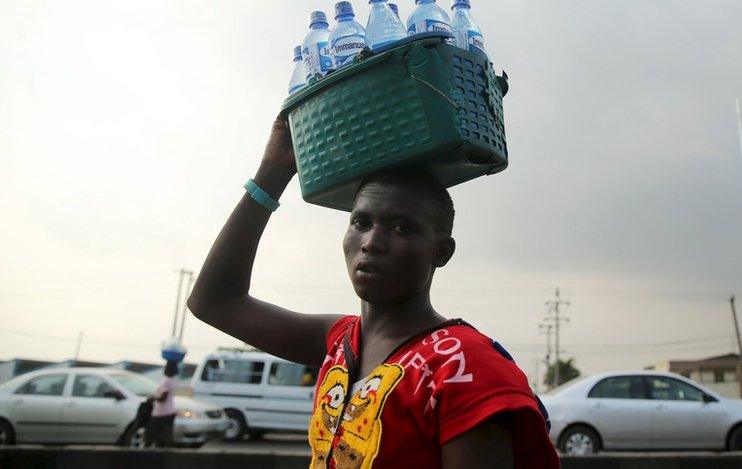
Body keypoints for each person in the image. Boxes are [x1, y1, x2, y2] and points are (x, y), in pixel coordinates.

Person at [187, 116, 558, 468]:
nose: (372, 243)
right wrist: (272, 173)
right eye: (360, 222)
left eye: (401, 228)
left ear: (441, 252)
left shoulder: (464, 367)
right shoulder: (339, 342)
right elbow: (214, 301)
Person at [145, 360, 179, 447]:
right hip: (170, 410)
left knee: (151, 433)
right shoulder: (174, 381)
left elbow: (163, 398)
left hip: (161, 412)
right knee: (166, 434)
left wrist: (153, 398)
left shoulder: (166, 381)